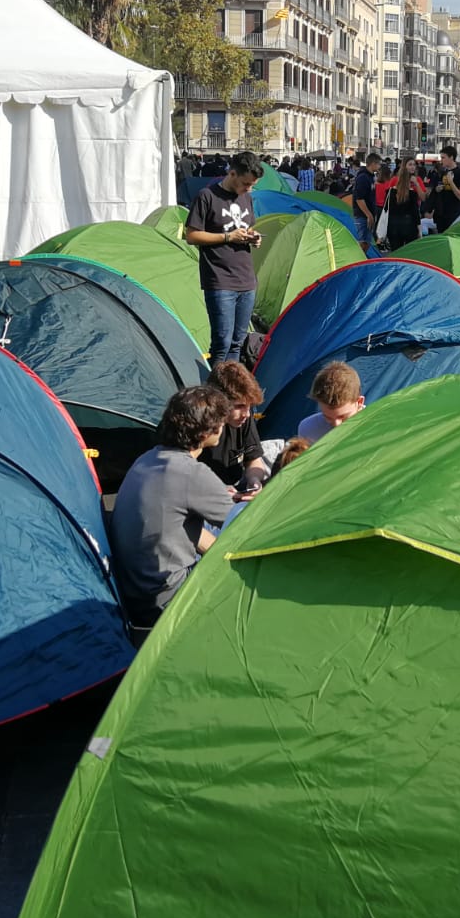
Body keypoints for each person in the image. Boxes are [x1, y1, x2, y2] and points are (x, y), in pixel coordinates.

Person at [110, 384, 238, 625]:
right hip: (167, 597)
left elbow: (176, 523)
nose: (223, 426)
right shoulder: (192, 473)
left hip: (133, 591)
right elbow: (251, 525)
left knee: (206, 529)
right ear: (204, 433)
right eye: (220, 422)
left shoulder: (148, 458)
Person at [185, 150, 263, 362]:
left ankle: (231, 391)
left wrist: (253, 238)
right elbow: (191, 236)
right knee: (222, 343)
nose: (248, 189)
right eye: (246, 183)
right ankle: (215, 392)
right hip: (220, 280)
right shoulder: (207, 196)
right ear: (233, 174)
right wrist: (228, 237)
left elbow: (247, 227)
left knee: (238, 342)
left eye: (252, 185)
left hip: (246, 279)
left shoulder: (246, 198)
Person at [202, 361, 286, 492]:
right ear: (217, 401)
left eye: (250, 407)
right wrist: (219, 491)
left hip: (235, 488)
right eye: (239, 406)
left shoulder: (243, 419)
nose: (246, 414)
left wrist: (254, 480)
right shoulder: (196, 425)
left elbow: (253, 459)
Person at [297, 361, 365, 444]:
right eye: (327, 417)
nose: (337, 425)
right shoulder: (308, 430)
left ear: (359, 402)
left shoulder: (377, 426)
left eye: (343, 417)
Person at [423, 146, 460, 233]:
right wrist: (437, 190)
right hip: (441, 215)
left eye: (443, 157)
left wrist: (451, 182)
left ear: (451, 157)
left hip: (453, 215)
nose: (441, 160)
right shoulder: (442, 173)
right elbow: (436, 192)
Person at [382, 158, 425, 250]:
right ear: (404, 166)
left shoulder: (417, 180)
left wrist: (416, 184)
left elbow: (423, 198)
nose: (413, 167)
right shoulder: (395, 180)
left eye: (414, 164)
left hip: (401, 220)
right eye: (410, 164)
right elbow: (389, 199)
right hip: (406, 220)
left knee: (397, 251)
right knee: (409, 251)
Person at [350, 152, 381, 249]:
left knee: (366, 242)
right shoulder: (363, 178)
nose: (379, 166)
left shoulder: (370, 177)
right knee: (362, 242)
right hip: (362, 215)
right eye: (378, 164)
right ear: (373, 164)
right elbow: (359, 199)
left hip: (367, 214)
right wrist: (368, 214)